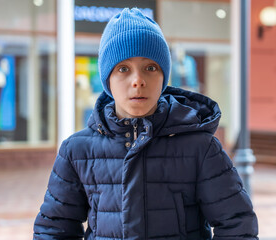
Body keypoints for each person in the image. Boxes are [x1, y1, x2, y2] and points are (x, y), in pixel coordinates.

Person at [33, 8, 258, 240]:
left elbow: (237, 226)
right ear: (107, 78)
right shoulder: (77, 151)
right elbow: (54, 229)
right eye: (123, 69)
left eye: (150, 68)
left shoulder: (200, 147)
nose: (138, 81)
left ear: (163, 76)